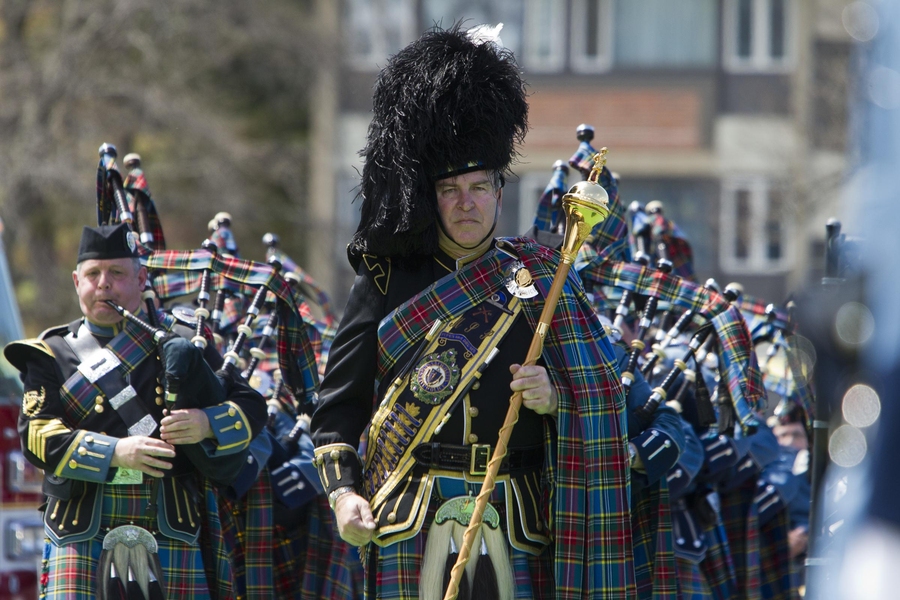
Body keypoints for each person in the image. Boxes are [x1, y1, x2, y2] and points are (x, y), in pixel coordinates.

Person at [310, 23, 633, 600]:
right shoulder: (385, 277)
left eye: (480, 187)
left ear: (500, 193)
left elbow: (605, 394)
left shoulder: (544, 276)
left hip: (516, 519)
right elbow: (339, 408)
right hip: (410, 510)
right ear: (429, 196)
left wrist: (558, 398)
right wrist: (343, 494)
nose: (467, 203)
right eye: (451, 189)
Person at [4, 223, 267, 599]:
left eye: (117, 273)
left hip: (169, 522)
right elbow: (36, 436)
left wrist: (205, 423)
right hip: (82, 528)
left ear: (141, 278)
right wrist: (115, 452)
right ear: (77, 281)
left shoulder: (183, 341)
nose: (104, 284)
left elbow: (251, 408)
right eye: (93, 274)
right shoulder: (50, 353)